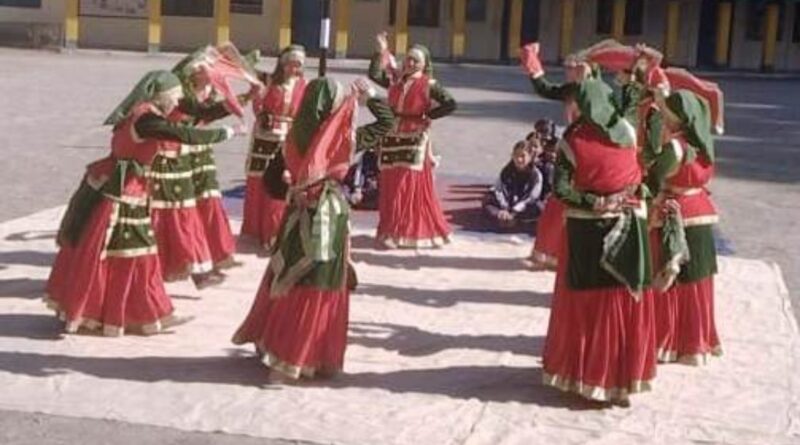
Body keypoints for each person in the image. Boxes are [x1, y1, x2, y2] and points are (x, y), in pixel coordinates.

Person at [47, 70, 245, 336]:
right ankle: (128, 312)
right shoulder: (146, 119)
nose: (177, 104)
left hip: (128, 188)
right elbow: (183, 134)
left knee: (133, 255)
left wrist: (232, 104)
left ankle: (145, 312)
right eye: (174, 99)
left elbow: (191, 117)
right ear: (162, 97)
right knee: (128, 254)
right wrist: (227, 133)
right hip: (123, 194)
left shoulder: (144, 114)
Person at [232, 77, 394, 380]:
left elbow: (270, 184)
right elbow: (387, 122)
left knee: (288, 276)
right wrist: (369, 97)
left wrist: (292, 190)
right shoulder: (344, 140)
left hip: (296, 217)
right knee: (319, 281)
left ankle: (277, 351)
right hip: (328, 220)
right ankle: (305, 356)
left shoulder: (290, 141)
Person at [521, 43, 657, 406]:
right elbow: (634, 91)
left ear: (581, 101)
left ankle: (583, 375)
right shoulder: (626, 127)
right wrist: (640, 62)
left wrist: (595, 201)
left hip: (588, 233)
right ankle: (622, 379)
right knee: (622, 302)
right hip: (630, 228)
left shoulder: (572, 141)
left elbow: (561, 188)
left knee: (587, 303)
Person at [149, 44, 261, 288]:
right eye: (207, 67)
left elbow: (205, 115)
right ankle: (184, 266)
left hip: (189, 151)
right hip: (168, 156)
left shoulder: (204, 91)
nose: (211, 71)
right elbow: (199, 112)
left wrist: (245, 94)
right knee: (175, 213)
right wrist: (229, 129)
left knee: (196, 206)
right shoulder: (181, 93)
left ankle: (207, 259)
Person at [647, 68, 724, 365]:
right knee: (698, 279)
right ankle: (696, 343)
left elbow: (653, 178)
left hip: (673, 212)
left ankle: (668, 341)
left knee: (669, 276)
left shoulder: (675, 148)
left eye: (668, 112)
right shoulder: (704, 145)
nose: (665, 116)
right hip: (701, 211)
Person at [368, 32, 457, 249]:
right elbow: (374, 73)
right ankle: (390, 229)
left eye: (415, 60)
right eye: (407, 58)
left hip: (415, 137)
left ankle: (406, 230)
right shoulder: (396, 80)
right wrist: (381, 50)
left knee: (406, 184)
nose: (409, 63)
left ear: (424, 64)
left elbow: (450, 103)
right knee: (390, 183)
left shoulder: (429, 84)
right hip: (393, 136)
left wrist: (428, 116)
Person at [242, 45, 308, 251]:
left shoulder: (303, 85)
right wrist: (262, 114)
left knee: (280, 182)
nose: (293, 69)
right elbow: (256, 100)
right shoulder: (269, 81)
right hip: (265, 136)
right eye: (290, 64)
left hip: (288, 136)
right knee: (259, 179)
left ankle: (275, 231)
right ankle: (256, 229)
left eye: (297, 65)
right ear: (283, 63)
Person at [482, 140, 543, 231]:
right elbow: (499, 190)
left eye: (523, 156)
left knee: (539, 207)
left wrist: (514, 212)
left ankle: (516, 220)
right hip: (507, 205)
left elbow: (532, 197)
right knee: (488, 199)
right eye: (516, 156)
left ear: (530, 157)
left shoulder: (535, 174)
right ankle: (503, 218)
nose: (519, 159)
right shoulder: (506, 171)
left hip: (522, 208)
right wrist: (504, 209)